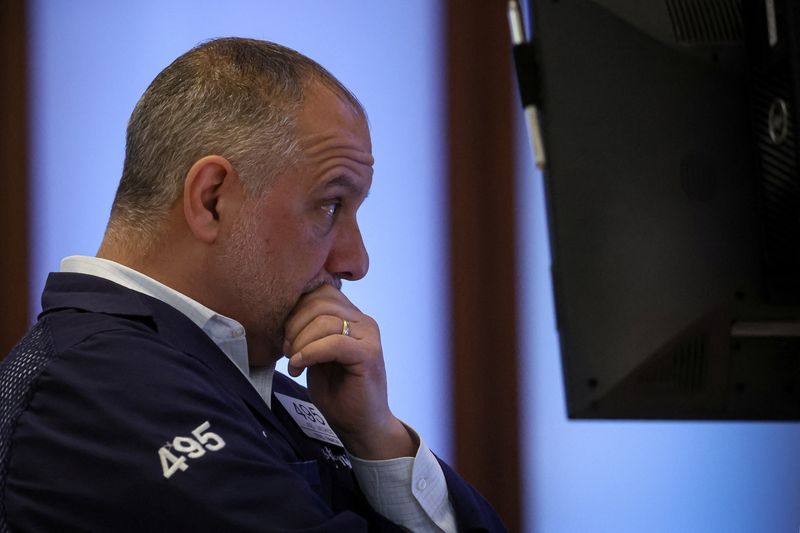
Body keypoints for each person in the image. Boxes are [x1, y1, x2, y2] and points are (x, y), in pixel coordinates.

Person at [0, 38, 505, 532]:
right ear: (212, 199)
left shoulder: (262, 387)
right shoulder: (94, 389)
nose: (357, 262)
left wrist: (377, 439)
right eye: (330, 205)